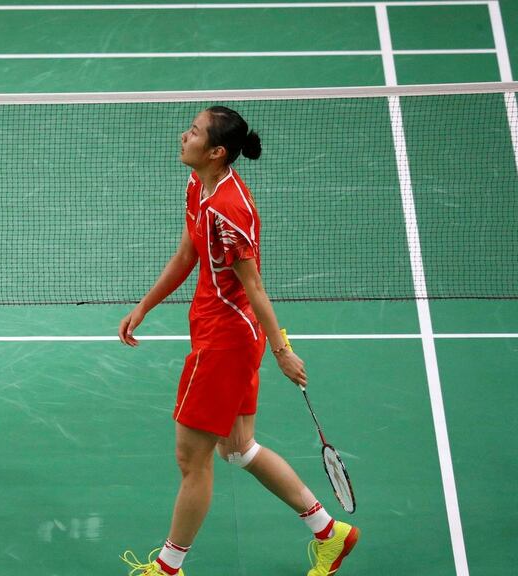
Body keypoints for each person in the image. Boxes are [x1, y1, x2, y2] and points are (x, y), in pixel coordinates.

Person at [118, 107, 358, 576]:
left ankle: (168, 568)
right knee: (238, 448)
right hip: (212, 326)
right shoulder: (198, 186)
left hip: (226, 341)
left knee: (193, 459)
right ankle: (332, 533)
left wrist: (282, 349)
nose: (182, 136)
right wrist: (145, 305)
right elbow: (188, 250)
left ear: (216, 152)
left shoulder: (230, 210)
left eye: (193, 133)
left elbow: (255, 287)